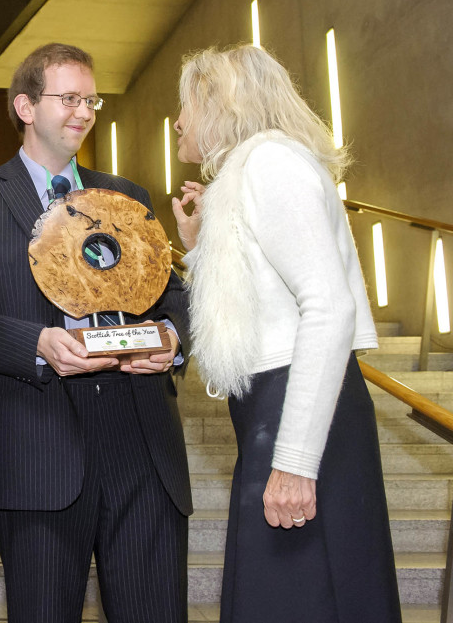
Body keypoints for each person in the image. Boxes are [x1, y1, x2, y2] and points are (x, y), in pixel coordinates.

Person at [170, 44, 401, 622]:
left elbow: (328, 307)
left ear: (221, 104)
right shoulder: (250, 169)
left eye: (186, 106)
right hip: (280, 408)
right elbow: (253, 306)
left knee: (302, 598)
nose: (177, 122)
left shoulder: (272, 163)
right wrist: (200, 249)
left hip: (299, 412)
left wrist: (295, 459)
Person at [0, 42, 192, 623]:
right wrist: (34, 345)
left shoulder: (127, 197)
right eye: (69, 98)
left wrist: (169, 337)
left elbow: (174, 297)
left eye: (91, 99)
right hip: (36, 448)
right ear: (24, 106)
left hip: (142, 444)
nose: (85, 112)